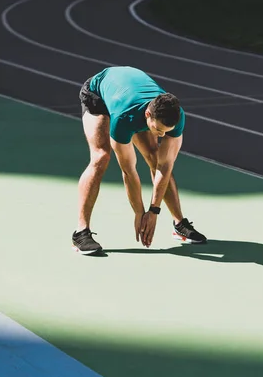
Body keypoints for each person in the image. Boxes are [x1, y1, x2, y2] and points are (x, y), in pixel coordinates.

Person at [72, 66, 206, 255]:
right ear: (148, 115)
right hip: (98, 95)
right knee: (101, 157)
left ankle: (179, 224)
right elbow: (128, 170)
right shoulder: (125, 119)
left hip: (129, 95)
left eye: (166, 132)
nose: (161, 135)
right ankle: (81, 232)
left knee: (154, 155)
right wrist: (139, 212)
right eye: (158, 130)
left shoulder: (177, 117)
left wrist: (154, 211)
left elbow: (164, 165)